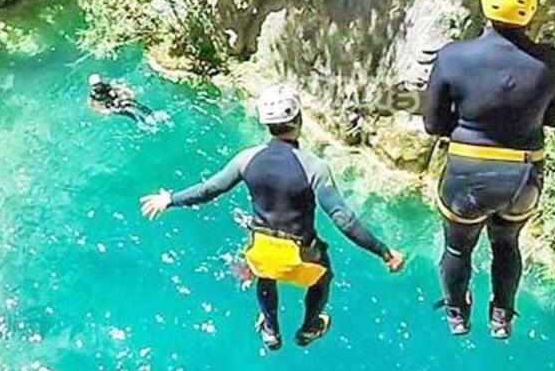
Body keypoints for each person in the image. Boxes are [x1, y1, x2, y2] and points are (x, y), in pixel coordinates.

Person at [141, 84, 405, 350]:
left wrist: (170, 199)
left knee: (264, 271)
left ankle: (270, 328)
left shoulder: (246, 159)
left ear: (266, 124)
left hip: (261, 250)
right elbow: (343, 219)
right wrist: (384, 252)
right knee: (323, 277)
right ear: (299, 119)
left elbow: (209, 189)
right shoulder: (314, 167)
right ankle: (309, 328)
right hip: (301, 256)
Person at [423, 0, 555, 340]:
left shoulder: (453, 57)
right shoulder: (549, 62)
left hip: (468, 175)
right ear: (530, 8)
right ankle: (501, 317)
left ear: (485, 2)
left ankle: (457, 314)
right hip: (523, 177)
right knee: (506, 244)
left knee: (458, 250)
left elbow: (433, 124)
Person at [87, 74, 153, 125]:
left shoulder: (106, 87)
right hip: (111, 107)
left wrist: (128, 91)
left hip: (116, 100)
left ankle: (149, 113)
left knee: (131, 102)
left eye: (98, 84)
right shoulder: (93, 94)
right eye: (94, 85)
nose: (96, 87)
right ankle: (142, 122)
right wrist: (101, 110)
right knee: (128, 112)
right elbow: (91, 104)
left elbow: (117, 87)